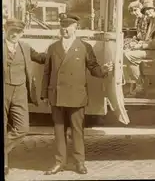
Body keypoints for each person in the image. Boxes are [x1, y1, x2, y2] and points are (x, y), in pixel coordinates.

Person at [41, 13, 112, 175]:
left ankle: (80, 162)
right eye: (62, 26)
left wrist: (104, 70)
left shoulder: (85, 47)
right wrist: (44, 94)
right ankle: (60, 162)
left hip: (76, 95)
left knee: (77, 130)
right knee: (59, 131)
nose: (64, 29)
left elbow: (93, 68)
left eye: (67, 27)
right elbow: (47, 73)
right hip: (57, 95)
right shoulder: (53, 48)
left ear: (75, 28)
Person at [3, 19, 47, 176]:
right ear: (5, 30)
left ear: (22, 33)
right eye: (11, 31)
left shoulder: (26, 48)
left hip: (20, 92)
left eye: (18, 31)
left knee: (23, 128)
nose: (14, 34)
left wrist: (59, 52)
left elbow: (42, 58)